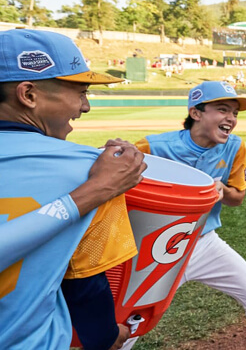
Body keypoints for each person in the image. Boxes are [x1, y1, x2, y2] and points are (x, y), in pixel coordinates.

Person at [0, 29, 146, 349]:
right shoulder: (93, 171)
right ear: (28, 94)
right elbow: (85, 287)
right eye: (80, 92)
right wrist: (110, 336)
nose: (85, 106)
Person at [132, 81, 246, 350]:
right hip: (154, 248)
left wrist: (223, 190)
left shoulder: (234, 147)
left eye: (234, 113)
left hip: (203, 243)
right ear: (196, 113)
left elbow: (237, 198)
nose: (231, 119)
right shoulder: (152, 147)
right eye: (223, 109)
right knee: (130, 322)